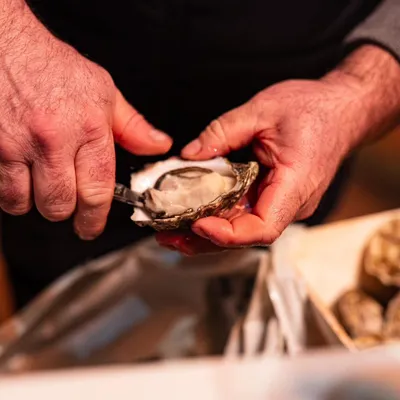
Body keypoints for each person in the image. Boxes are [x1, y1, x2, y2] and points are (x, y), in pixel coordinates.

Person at [0, 0, 399, 308]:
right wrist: (10, 40)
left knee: (255, 304)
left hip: (298, 104)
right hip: (50, 88)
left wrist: (357, 92)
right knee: (63, 305)